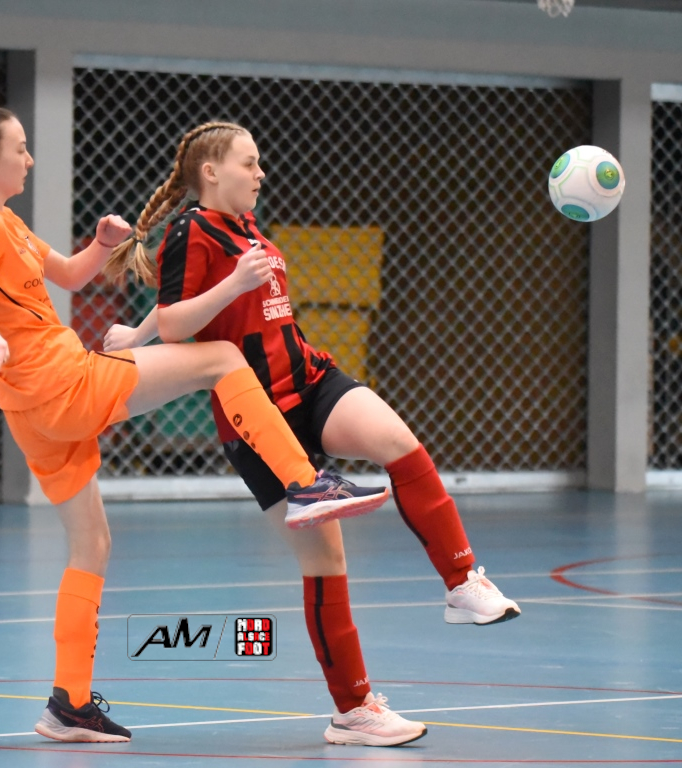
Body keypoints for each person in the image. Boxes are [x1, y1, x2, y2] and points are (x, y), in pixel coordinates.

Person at [0, 15, 390, 744]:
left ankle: (68, 705)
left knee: (91, 546)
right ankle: (305, 482)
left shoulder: (4, 222)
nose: (30, 158)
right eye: (21, 148)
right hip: (63, 382)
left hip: (32, 413)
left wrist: (100, 246)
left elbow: (69, 276)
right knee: (221, 359)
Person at [104, 121, 522, 745]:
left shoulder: (245, 227)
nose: (260, 172)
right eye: (249, 162)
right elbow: (176, 319)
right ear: (211, 171)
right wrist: (175, 317)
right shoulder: (191, 229)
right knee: (326, 561)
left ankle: (462, 584)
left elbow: (179, 307)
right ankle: (353, 712)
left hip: (310, 377)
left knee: (400, 444)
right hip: (257, 414)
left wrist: (136, 332)